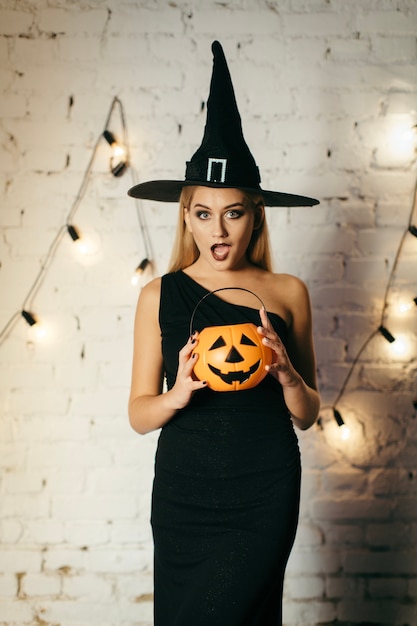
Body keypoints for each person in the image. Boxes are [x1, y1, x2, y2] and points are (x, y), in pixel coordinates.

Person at [128, 41, 320, 626]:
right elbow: (139, 414)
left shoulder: (287, 291)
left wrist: (287, 374)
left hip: (264, 488)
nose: (219, 227)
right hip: (185, 492)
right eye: (205, 212)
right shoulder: (159, 294)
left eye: (233, 211)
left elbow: (309, 412)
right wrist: (179, 392)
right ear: (186, 215)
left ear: (254, 215)